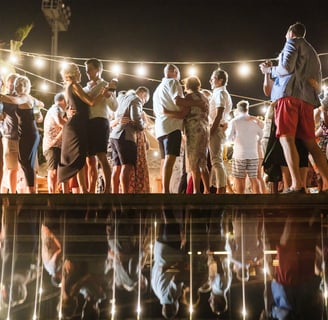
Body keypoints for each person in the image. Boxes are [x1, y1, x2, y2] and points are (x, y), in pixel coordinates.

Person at [259, 22, 328, 193]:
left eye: (285, 34)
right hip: (307, 101)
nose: (285, 37)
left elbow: (286, 68)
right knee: (311, 143)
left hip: (289, 97)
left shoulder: (292, 43)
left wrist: (269, 70)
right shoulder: (313, 53)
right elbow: (318, 84)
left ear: (291, 32)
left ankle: (297, 184)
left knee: (286, 138)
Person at [57, 63, 108, 193]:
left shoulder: (67, 87)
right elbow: (91, 102)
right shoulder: (75, 85)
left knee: (76, 157)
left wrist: (67, 112)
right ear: (72, 73)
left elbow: (69, 107)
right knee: (78, 156)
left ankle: (81, 189)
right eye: (78, 70)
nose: (81, 73)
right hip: (77, 125)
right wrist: (104, 93)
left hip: (75, 124)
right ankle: (83, 190)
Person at [163, 75, 210, 194]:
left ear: (187, 86)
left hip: (194, 130)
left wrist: (167, 113)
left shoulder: (189, 97)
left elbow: (182, 114)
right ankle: (207, 189)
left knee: (194, 160)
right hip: (205, 129)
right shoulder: (204, 97)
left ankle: (196, 190)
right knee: (203, 160)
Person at [0, 75, 44, 193]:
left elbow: (14, 100)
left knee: (26, 163)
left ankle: (31, 192)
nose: (18, 87)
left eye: (21, 85)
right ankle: (31, 191)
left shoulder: (23, 97)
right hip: (27, 134)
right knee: (24, 162)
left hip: (28, 134)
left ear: (26, 87)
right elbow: (41, 104)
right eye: (17, 84)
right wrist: (37, 106)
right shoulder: (28, 98)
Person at [83, 58, 118, 193]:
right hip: (87, 123)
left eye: (90, 70)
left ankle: (108, 188)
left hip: (100, 121)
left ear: (99, 70)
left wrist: (108, 95)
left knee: (101, 155)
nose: (88, 73)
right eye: (86, 71)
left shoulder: (106, 85)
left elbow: (115, 107)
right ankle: (91, 189)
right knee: (89, 159)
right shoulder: (85, 88)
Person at [110, 87, 149, 193]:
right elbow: (136, 118)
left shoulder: (121, 98)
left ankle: (114, 194)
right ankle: (125, 195)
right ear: (143, 94)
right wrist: (143, 125)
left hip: (114, 136)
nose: (143, 103)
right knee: (126, 166)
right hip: (126, 136)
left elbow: (113, 116)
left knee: (116, 167)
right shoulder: (136, 99)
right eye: (144, 101)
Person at [153, 64, 184, 193]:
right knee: (170, 160)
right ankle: (166, 190)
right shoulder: (173, 82)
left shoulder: (157, 89)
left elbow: (156, 112)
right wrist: (193, 103)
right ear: (174, 72)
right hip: (172, 126)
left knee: (165, 159)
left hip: (160, 128)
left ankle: (165, 189)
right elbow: (178, 100)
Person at [226, 100, 263, 194]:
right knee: (254, 178)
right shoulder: (254, 121)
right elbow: (261, 135)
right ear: (247, 108)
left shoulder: (234, 121)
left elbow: (229, 138)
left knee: (239, 178)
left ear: (238, 109)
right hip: (253, 154)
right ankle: (258, 200)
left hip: (239, 154)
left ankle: (240, 199)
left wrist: (234, 139)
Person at [208, 69, 233, 194]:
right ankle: (218, 187)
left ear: (220, 80)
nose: (210, 81)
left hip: (216, 127)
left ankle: (221, 189)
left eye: (212, 78)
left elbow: (219, 113)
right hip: (218, 126)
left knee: (216, 161)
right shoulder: (219, 92)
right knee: (216, 160)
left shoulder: (220, 93)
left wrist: (211, 131)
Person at [42, 92, 67, 193]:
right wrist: (72, 126)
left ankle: (56, 194)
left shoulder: (60, 111)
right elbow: (60, 123)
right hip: (52, 145)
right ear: (64, 100)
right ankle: (51, 195)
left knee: (59, 172)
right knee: (53, 171)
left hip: (59, 145)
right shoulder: (55, 109)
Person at [1, 73, 20, 193]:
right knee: (8, 167)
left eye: (15, 82)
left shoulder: (21, 98)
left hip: (21, 136)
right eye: (11, 82)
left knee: (16, 168)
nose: (13, 84)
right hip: (8, 135)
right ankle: (7, 194)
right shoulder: (4, 99)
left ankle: (14, 193)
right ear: (7, 83)